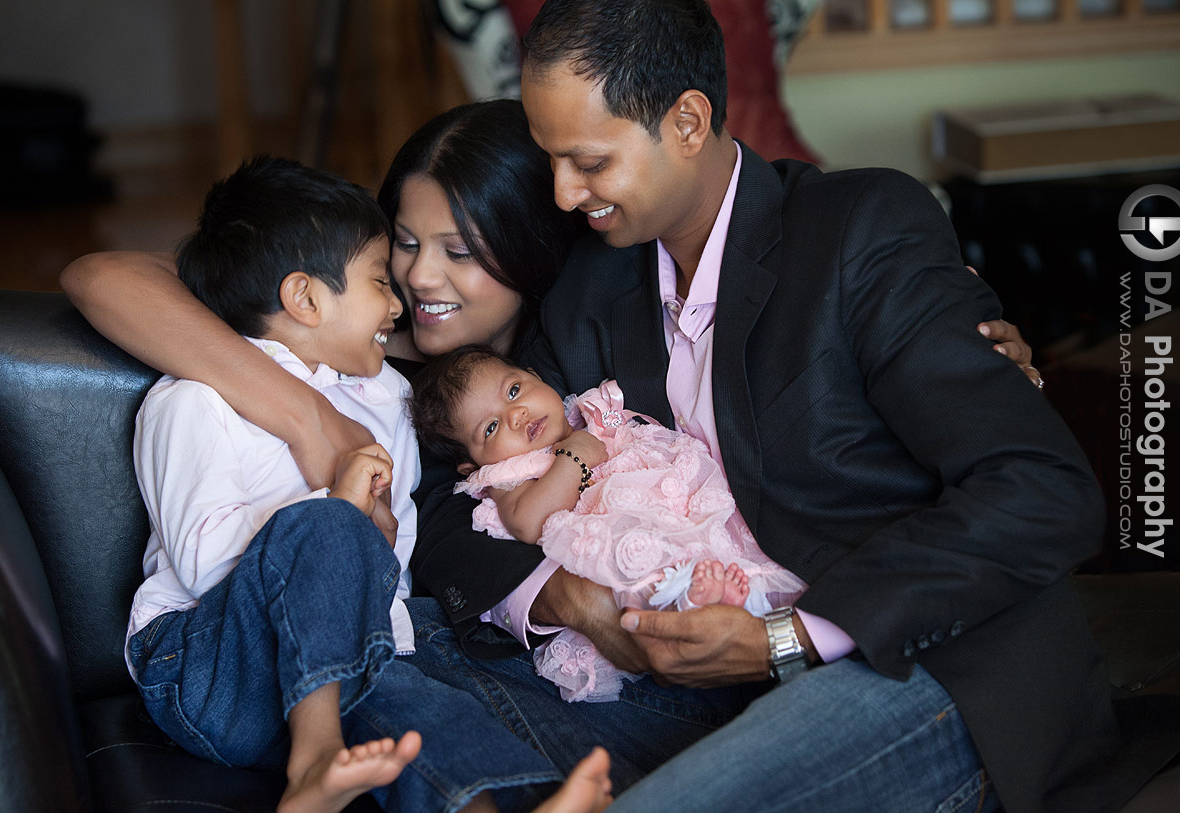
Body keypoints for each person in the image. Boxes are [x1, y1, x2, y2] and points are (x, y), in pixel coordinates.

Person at [60, 99, 1042, 798]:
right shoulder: (367, 344)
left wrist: (955, 347)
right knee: (411, 671)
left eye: (459, 249)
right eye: (400, 242)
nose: (418, 278)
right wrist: (308, 418)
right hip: (488, 651)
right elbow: (108, 274)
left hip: (731, 645)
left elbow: (801, 339)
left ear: (533, 247)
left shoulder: (609, 338)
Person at [479, 0, 1124, 810]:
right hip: (706, 688)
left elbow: (1043, 490)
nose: (564, 193)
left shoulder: (861, 230)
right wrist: (558, 592)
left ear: (687, 121)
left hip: (928, 663)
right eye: (551, 160)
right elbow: (464, 479)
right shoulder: (592, 287)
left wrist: (787, 638)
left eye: (589, 162)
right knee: (401, 690)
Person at [125, 155, 612, 813]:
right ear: (304, 298)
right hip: (208, 665)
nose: (397, 301)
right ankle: (315, 756)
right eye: (380, 280)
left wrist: (375, 536)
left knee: (415, 704)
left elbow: (395, 549)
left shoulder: (385, 395)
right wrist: (341, 516)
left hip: (339, 662)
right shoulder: (195, 400)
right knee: (332, 538)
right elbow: (205, 560)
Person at [409, 344, 805, 701]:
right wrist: (574, 456)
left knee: (722, 545)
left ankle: (742, 599)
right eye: (490, 428)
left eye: (514, 391)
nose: (516, 415)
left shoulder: (590, 411)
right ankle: (685, 604)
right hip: (616, 549)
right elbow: (529, 522)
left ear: (534, 376)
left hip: (668, 511)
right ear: (472, 465)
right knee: (635, 571)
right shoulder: (508, 474)